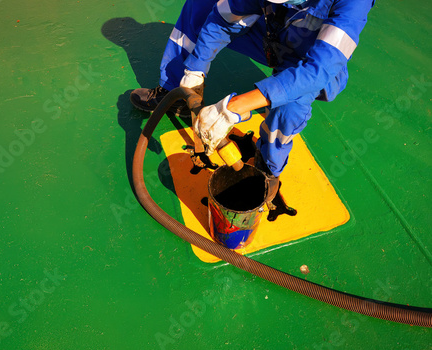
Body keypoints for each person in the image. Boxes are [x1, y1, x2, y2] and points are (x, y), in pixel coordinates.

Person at [130, 0, 375, 207]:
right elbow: (222, 19)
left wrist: (234, 107)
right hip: (272, 37)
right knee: (202, 4)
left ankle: (268, 167)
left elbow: (317, 70)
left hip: (310, 63)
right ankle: (178, 93)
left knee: (291, 103)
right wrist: (195, 70)